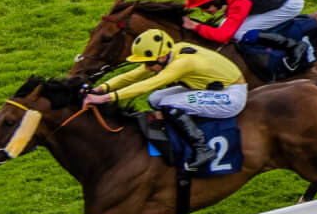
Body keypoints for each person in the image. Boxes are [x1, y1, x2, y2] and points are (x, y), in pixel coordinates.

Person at [82, 28, 246, 170]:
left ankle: (202, 148)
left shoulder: (181, 63)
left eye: (148, 63)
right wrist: (99, 89)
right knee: (155, 99)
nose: (146, 67)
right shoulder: (168, 54)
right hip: (210, 88)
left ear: (160, 58)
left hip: (231, 95)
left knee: (167, 103)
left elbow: (149, 84)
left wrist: (104, 99)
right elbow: (131, 76)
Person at [184, 0, 311, 68]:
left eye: (205, 6)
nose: (203, 11)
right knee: (224, 24)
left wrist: (196, 26)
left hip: (289, 2)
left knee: (240, 33)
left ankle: (294, 46)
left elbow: (224, 36)